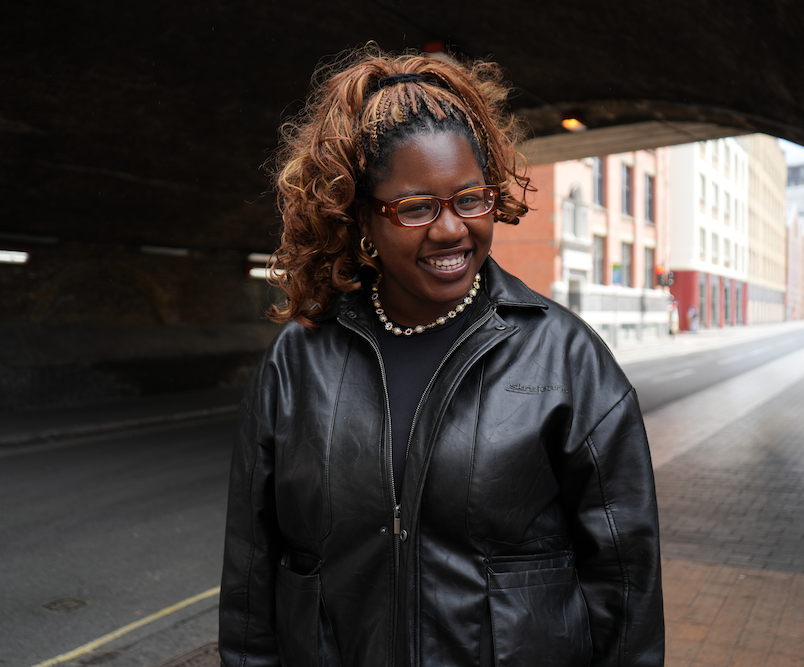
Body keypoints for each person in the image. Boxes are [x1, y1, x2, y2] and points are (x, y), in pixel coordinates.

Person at [218, 45, 664, 667]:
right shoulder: (298, 361)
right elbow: (251, 574)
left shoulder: (566, 358)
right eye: (416, 208)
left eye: (471, 198)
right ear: (359, 215)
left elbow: (626, 587)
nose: (452, 229)